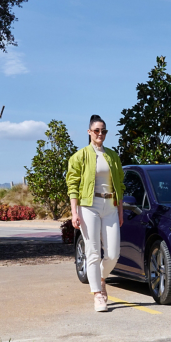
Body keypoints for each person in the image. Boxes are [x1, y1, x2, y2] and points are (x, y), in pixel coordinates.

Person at [66, 115, 125, 312]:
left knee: (113, 254)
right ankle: (98, 294)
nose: (101, 134)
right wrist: (74, 212)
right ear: (89, 132)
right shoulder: (79, 156)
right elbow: (72, 186)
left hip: (110, 205)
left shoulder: (113, 156)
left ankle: (100, 277)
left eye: (104, 131)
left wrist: (120, 210)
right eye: (97, 130)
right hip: (88, 206)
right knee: (92, 252)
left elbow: (121, 186)